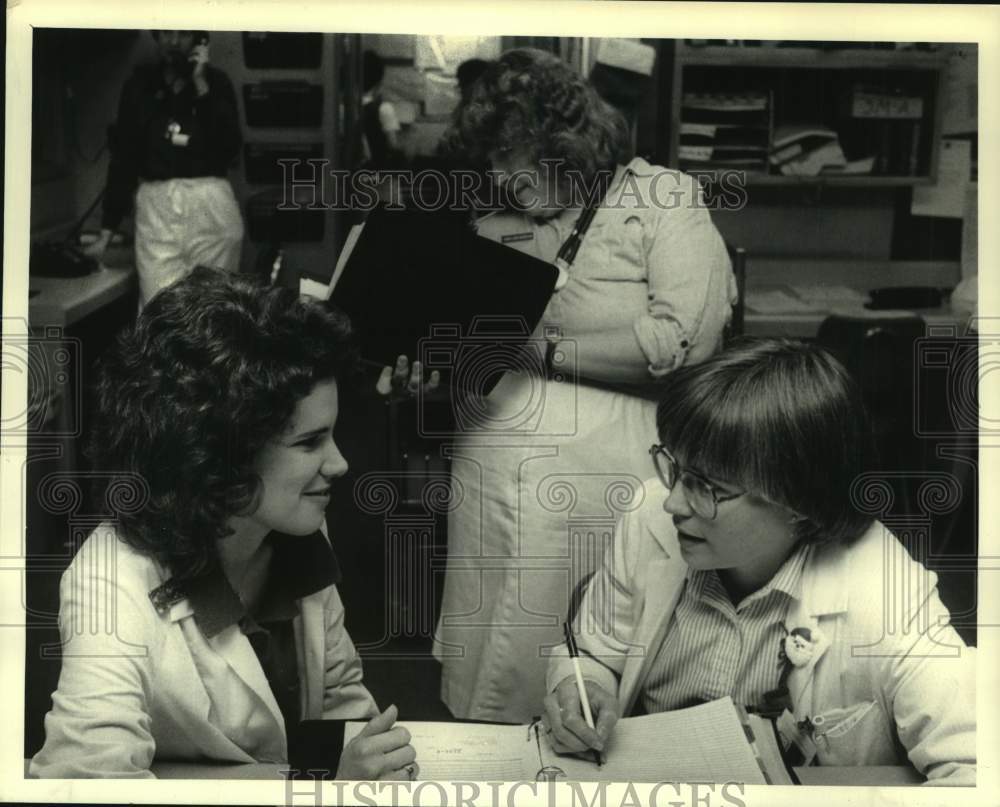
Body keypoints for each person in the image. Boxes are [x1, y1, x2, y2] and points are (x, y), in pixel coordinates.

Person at [429, 48, 737, 722]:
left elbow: (685, 337)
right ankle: (477, 728)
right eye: (494, 162)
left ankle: (554, 722)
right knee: (485, 620)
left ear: (564, 144)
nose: (503, 178)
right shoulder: (504, 219)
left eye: (516, 156)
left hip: (610, 448)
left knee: (550, 614)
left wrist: (543, 349)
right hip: (494, 450)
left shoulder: (661, 198)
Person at [30, 268, 416, 779]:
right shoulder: (109, 581)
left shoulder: (296, 532)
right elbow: (82, 788)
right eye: (309, 443)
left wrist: (369, 762)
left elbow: (339, 700)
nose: (339, 464)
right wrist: (319, 795)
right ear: (219, 453)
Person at [543, 339, 976, 785]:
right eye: (676, 468)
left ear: (799, 503)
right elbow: (594, 654)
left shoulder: (887, 591)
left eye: (706, 486)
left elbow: (976, 772)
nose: (673, 503)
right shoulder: (647, 518)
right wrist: (584, 688)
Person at [83, 30, 244, 307]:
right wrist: (106, 232)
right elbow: (124, 158)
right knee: (158, 310)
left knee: (215, 312)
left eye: (183, 35)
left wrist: (200, 84)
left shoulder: (216, 84)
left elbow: (229, 148)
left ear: (198, 40)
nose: (173, 42)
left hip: (209, 202)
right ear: (157, 37)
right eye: (167, 33)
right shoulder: (139, 87)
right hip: (157, 206)